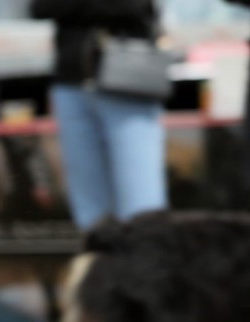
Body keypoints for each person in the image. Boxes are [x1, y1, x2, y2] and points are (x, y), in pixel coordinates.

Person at [29, 0, 168, 230]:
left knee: (142, 212)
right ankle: (98, 264)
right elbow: (41, 7)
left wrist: (74, 9)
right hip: (72, 80)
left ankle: (141, 265)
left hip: (129, 79)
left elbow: (134, 7)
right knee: (91, 214)